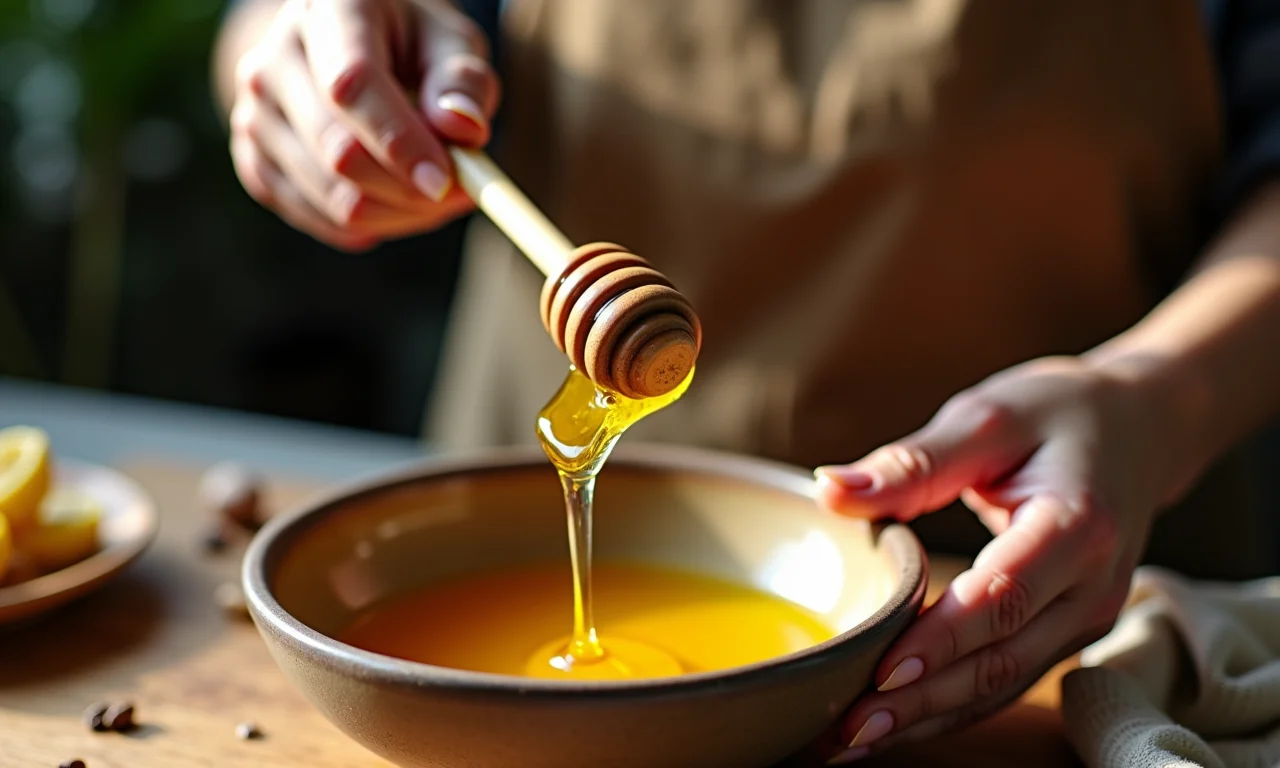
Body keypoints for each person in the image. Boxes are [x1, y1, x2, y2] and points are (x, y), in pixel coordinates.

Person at [212, 0, 1280, 761]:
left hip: (1048, 608)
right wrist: (300, 56)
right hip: (488, 562)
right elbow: (300, 26)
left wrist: (1156, 394)